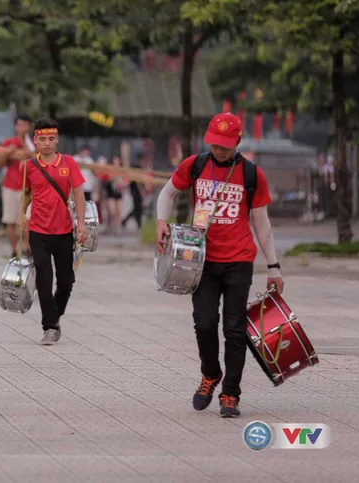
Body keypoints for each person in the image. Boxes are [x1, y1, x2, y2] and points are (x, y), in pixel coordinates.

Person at [155, 112, 284, 418]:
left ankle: (230, 394)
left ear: (238, 142)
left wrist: (274, 267)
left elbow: (262, 226)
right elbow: (167, 193)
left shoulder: (252, 174)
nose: (219, 149)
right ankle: (210, 374)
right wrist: (162, 221)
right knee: (204, 323)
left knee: (235, 330)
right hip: (202, 260)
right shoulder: (196, 165)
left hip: (239, 260)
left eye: (225, 145)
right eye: (215, 143)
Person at [21, 118, 87, 345]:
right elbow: (26, 194)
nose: (47, 143)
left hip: (64, 230)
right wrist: (22, 217)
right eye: (42, 139)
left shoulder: (68, 163)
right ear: (35, 141)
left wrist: (81, 223)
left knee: (66, 281)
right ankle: (49, 326)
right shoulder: (29, 166)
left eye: (51, 139)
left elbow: (79, 194)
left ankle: (54, 317)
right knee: (44, 278)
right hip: (38, 231)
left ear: (57, 139)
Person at [0, 114, 36, 258]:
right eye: (19, 125)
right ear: (15, 127)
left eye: (24, 125)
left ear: (29, 127)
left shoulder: (34, 144)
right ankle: (13, 250)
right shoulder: (9, 142)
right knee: (10, 220)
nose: (22, 128)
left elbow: (41, 164)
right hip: (10, 186)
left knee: (28, 220)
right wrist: (7, 153)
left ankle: (27, 248)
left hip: (28, 187)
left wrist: (30, 154)